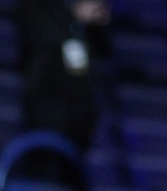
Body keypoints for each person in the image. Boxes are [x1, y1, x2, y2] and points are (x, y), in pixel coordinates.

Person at [16, 0, 110, 151]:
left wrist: (100, 23)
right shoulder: (36, 5)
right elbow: (40, 35)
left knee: (76, 158)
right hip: (48, 102)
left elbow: (104, 49)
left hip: (82, 105)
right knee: (48, 155)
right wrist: (73, 16)